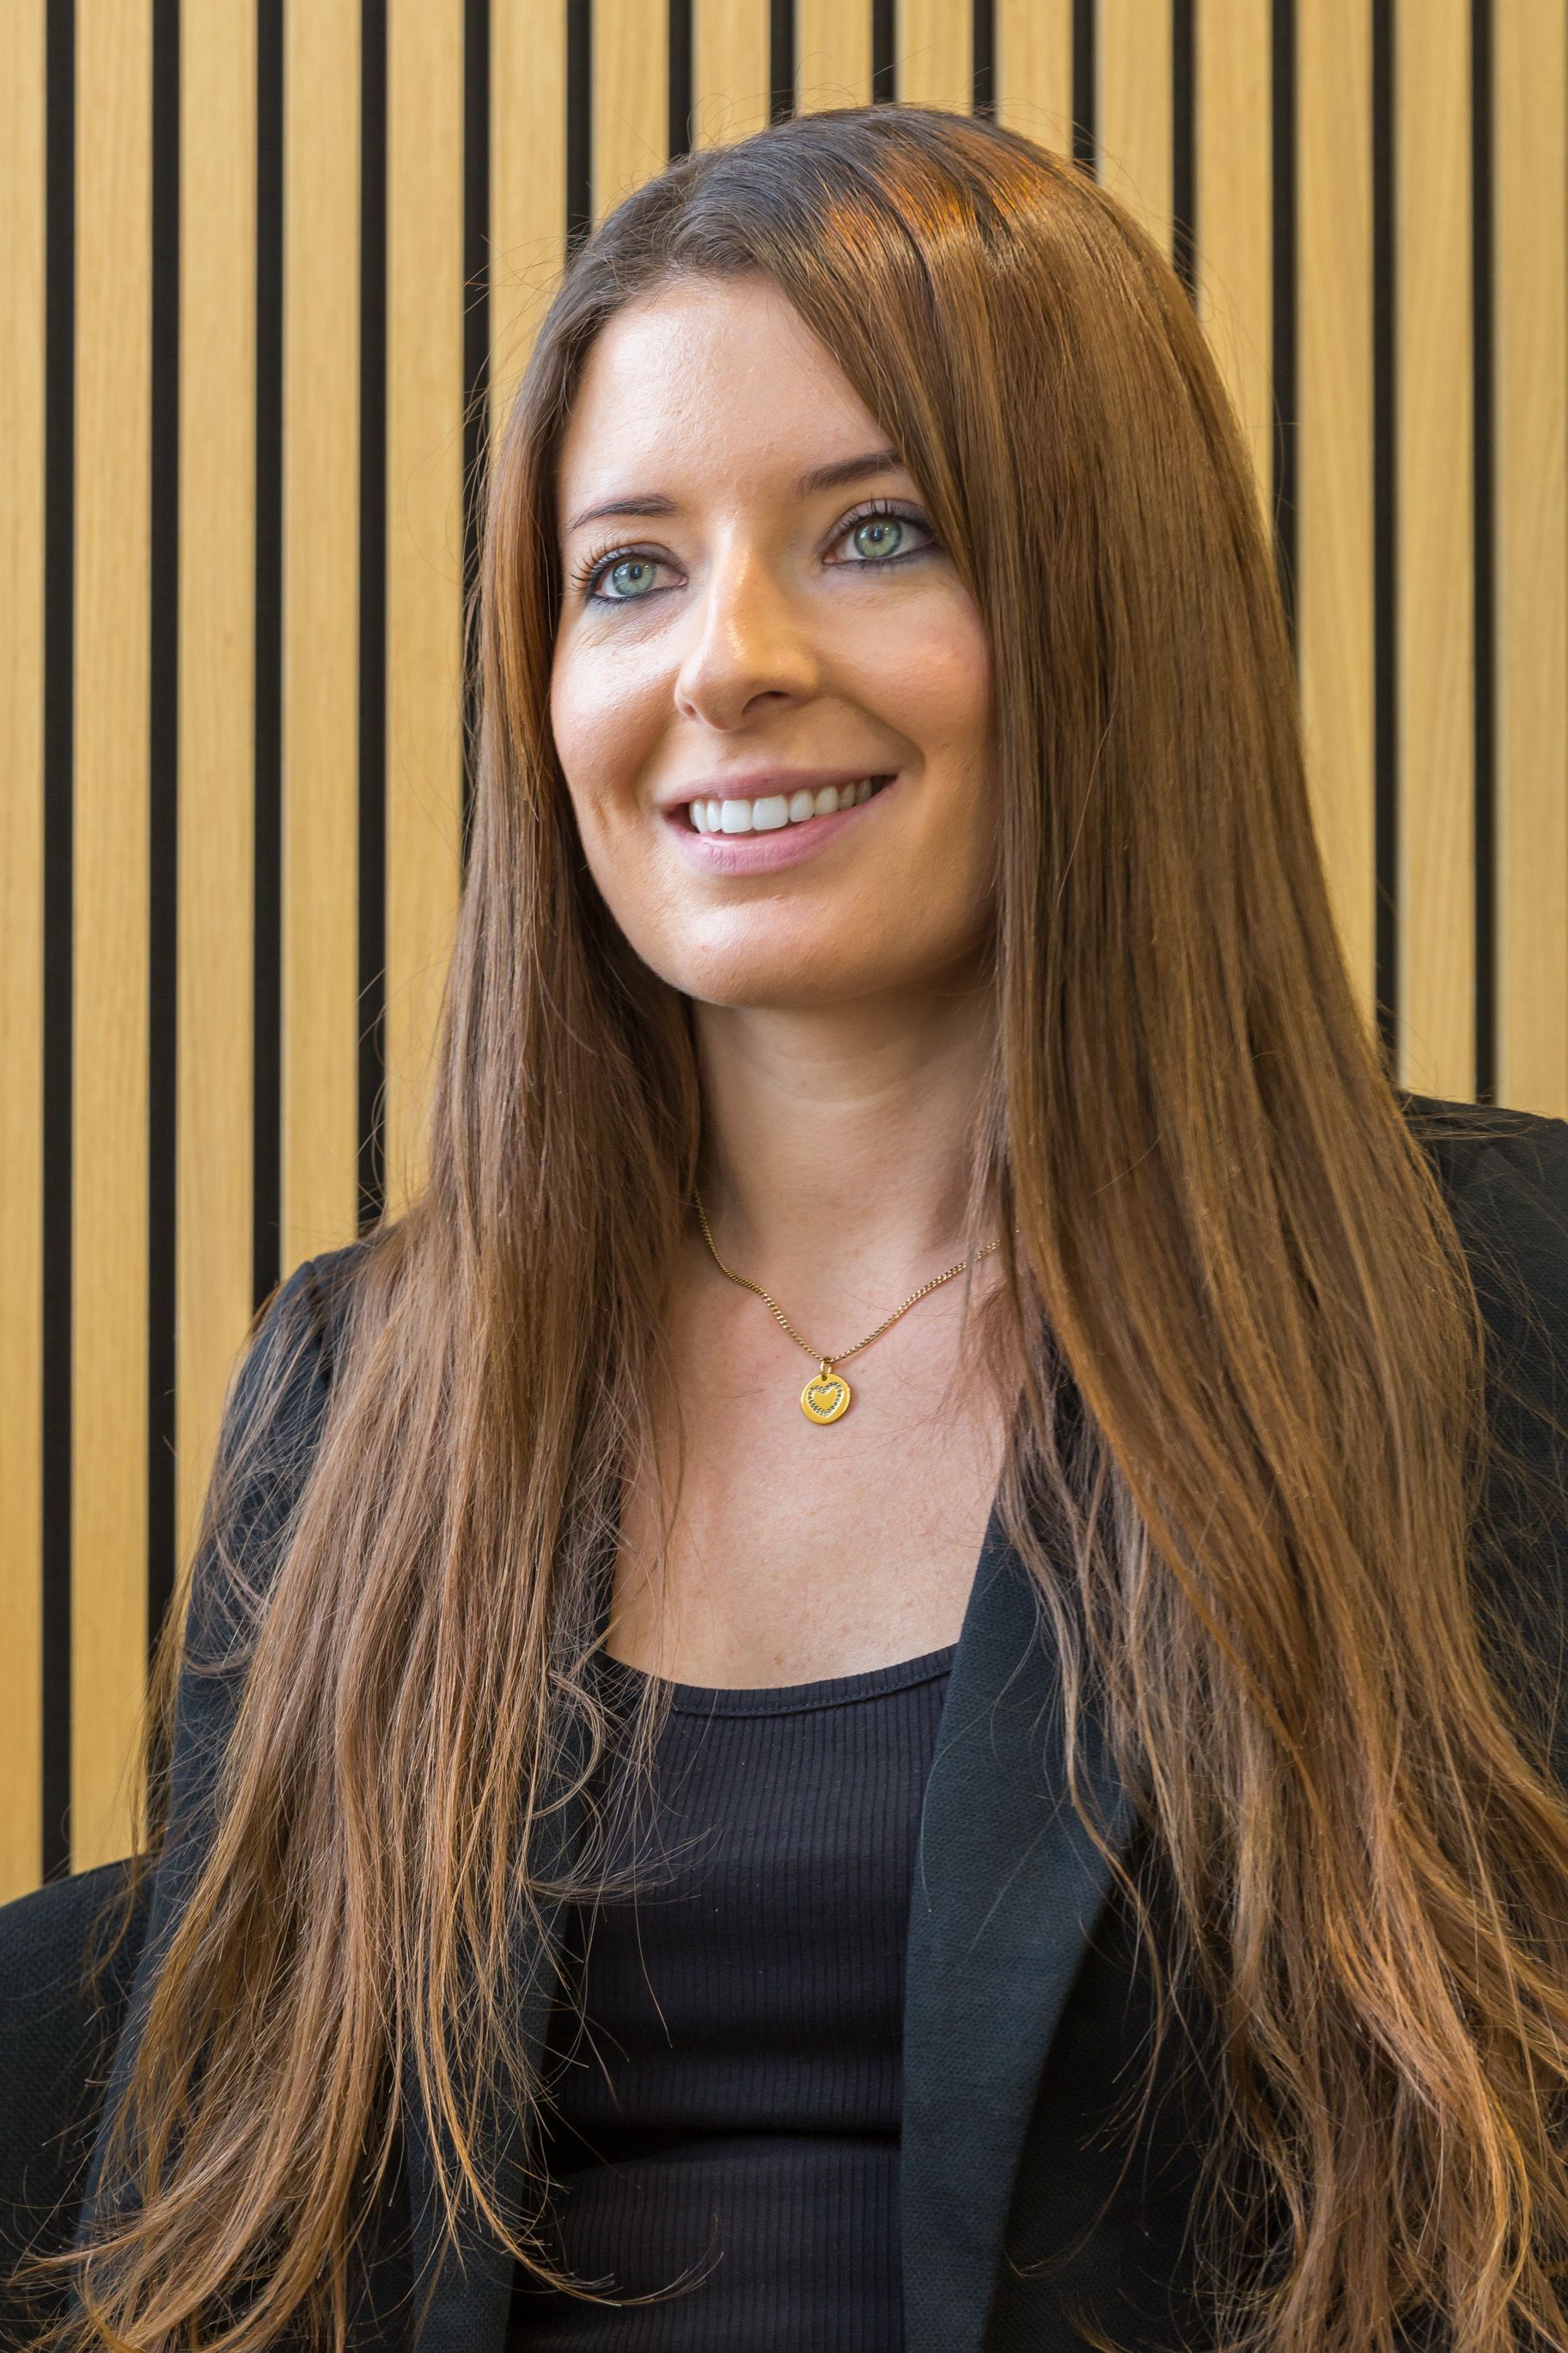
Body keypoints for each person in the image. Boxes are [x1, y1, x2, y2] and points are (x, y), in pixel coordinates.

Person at [12, 100, 1568, 2353]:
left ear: (1109, 610)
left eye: (876, 531)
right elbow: (217, 2216)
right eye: (627, 569)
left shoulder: (1491, 1295)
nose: (722, 659)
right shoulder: (368, 1380)